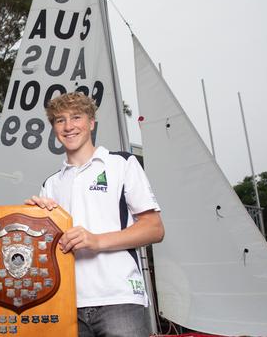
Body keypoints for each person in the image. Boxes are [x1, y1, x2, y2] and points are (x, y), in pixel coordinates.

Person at [25, 92, 165, 337]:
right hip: (65, 303)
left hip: (119, 299)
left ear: (91, 123)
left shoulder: (122, 164)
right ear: (54, 128)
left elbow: (154, 228)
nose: (68, 126)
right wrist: (30, 221)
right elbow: (44, 253)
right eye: (60, 120)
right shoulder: (50, 185)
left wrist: (96, 241)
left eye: (76, 117)